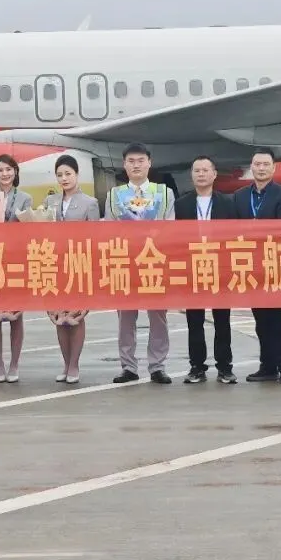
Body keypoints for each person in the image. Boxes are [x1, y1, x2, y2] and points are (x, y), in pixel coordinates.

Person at [104, 143, 176, 385]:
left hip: (154, 261)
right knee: (125, 318)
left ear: (149, 163)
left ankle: (157, 366)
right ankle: (128, 366)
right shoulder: (114, 195)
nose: (136, 165)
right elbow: (109, 231)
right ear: (124, 165)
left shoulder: (164, 192)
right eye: (131, 161)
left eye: (140, 160)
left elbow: (170, 227)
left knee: (158, 317)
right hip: (125, 263)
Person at [233, 146, 281, 384]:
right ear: (251, 167)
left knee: (280, 319)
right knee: (260, 320)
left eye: (265, 165)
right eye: (257, 164)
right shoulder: (240, 196)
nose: (261, 169)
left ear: (273, 168)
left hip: (275, 265)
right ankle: (267, 366)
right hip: (250, 267)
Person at [175, 155, 239, 384]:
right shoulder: (181, 204)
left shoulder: (228, 203)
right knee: (194, 321)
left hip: (220, 267)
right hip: (193, 267)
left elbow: (236, 235)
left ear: (214, 174)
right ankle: (197, 367)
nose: (201, 174)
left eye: (205, 170)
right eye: (197, 171)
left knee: (222, 320)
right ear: (191, 175)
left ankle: (225, 367)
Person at [43, 155, 99, 384]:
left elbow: (95, 237)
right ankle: (65, 364)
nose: (64, 178)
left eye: (68, 174)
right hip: (55, 264)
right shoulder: (50, 201)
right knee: (59, 316)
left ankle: (75, 364)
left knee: (75, 315)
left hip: (79, 263)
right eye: (60, 175)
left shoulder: (89, 203)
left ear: (77, 175)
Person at [0, 154, 32, 383]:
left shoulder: (25, 198)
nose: (5, 174)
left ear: (15, 172)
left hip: (16, 261)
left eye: (9, 169)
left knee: (16, 315)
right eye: (0, 170)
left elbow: (28, 228)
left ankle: (14, 364)